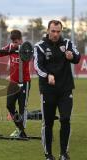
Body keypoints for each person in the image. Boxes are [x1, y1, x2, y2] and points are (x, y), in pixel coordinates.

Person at [34, 20, 80, 160]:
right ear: (48, 30)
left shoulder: (67, 44)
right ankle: (48, 154)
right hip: (48, 90)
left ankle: (63, 153)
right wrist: (48, 75)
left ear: (61, 31)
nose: (55, 34)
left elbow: (77, 58)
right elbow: (37, 66)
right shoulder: (39, 46)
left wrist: (72, 56)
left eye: (58, 31)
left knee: (65, 119)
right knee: (48, 123)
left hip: (65, 89)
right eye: (53, 31)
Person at [0, 30, 30, 138]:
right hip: (13, 82)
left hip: (24, 82)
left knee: (22, 108)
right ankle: (19, 128)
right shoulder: (10, 47)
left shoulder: (26, 48)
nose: (15, 44)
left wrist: (17, 49)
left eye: (16, 42)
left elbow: (28, 58)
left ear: (21, 40)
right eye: (13, 42)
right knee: (9, 105)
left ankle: (21, 131)